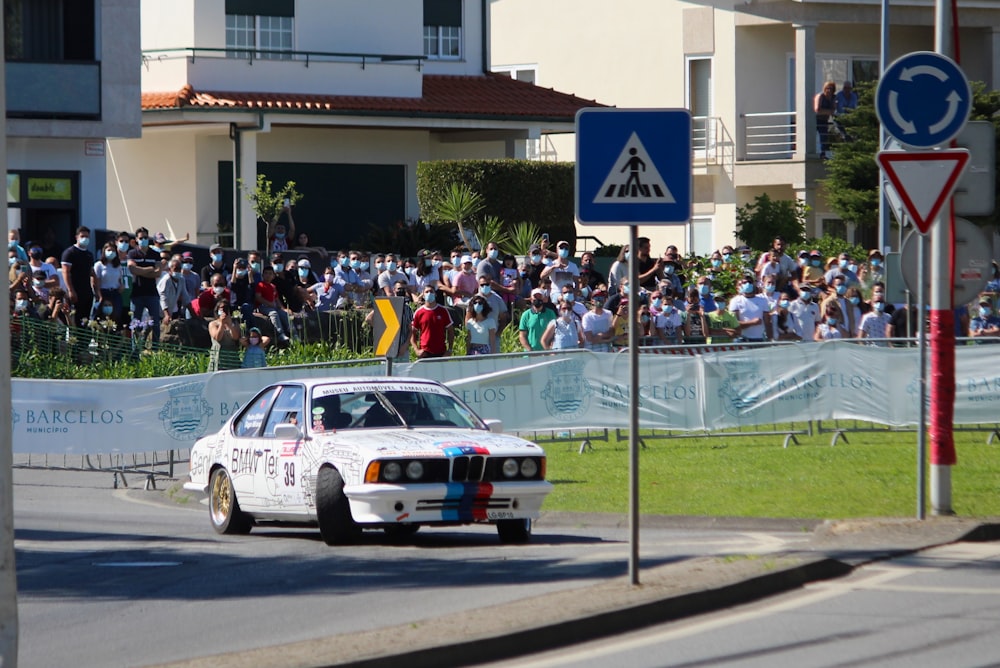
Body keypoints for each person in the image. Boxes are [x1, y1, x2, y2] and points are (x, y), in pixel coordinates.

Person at [127, 228, 163, 343]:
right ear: (136, 240)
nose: (143, 240)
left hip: (152, 293)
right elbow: (132, 269)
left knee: (155, 324)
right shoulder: (132, 253)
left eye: (145, 238)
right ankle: (135, 351)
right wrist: (149, 269)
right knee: (135, 324)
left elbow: (158, 273)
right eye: (141, 238)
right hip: (137, 294)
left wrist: (141, 270)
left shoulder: (155, 254)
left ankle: (155, 350)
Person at [60, 226, 97, 327]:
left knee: (85, 321)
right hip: (75, 292)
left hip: (87, 292)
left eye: (87, 236)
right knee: (74, 320)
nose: (85, 238)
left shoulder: (89, 255)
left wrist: (96, 291)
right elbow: (66, 272)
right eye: (82, 236)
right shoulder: (70, 253)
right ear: (77, 237)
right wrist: (71, 290)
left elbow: (91, 273)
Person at [410, 285, 454, 358]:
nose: (429, 293)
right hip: (424, 352)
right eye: (427, 292)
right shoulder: (419, 312)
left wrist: (449, 350)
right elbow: (412, 332)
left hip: (441, 352)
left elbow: (451, 331)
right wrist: (416, 349)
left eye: (431, 291)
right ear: (423, 295)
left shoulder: (443, 311)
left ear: (435, 294)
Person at [255, 266, 291, 345]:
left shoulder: (273, 286)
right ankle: (280, 333)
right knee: (273, 314)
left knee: (283, 314)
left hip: (273, 306)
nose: (268, 276)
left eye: (270, 274)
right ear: (263, 275)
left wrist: (283, 308)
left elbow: (277, 299)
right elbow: (258, 297)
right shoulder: (260, 285)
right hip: (263, 306)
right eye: (266, 273)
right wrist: (269, 303)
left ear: (273, 276)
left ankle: (291, 331)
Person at [729, 276, 771, 342]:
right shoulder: (735, 301)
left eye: (750, 282)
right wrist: (752, 323)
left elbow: (767, 322)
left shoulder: (763, 300)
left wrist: (769, 338)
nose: (747, 284)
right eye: (744, 282)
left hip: (760, 339)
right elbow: (734, 324)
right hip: (742, 339)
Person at [93, 241, 125, 325]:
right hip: (103, 293)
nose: (111, 252)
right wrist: (99, 296)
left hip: (115, 293)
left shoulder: (118, 266)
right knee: (100, 316)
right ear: (104, 251)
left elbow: (120, 279)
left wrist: (121, 286)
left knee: (116, 316)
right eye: (109, 250)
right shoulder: (99, 265)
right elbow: (96, 281)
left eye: (113, 250)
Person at [208, 301, 242, 371]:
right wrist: (222, 324)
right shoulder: (213, 324)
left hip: (232, 355)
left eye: (225, 308)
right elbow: (218, 338)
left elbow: (236, 337)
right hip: (218, 354)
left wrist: (230, 325)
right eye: (221, 309)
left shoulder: (234, 323)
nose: (223, 311)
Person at [156, 257, 190, 326]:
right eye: (175, 269)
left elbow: (185, 296)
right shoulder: (166, 280)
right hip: (159, 311)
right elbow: (163, 298)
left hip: (171, 310)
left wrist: (193, 313)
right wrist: (166, 315)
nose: (177, 271)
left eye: (179, 269)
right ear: (169, 270)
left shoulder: (181, 279)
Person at [814, 81, 837, 155]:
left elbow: (834, 109)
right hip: (816, 120)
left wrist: (830, 112)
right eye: (827, 88)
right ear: (824, 88)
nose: (829, 90)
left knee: (824, 137)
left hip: (824, 120)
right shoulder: (820, 96)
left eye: (831, 88)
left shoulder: (833, 97)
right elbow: (817, 110)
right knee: (817, 136)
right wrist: (829, 111)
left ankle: (823, 154)